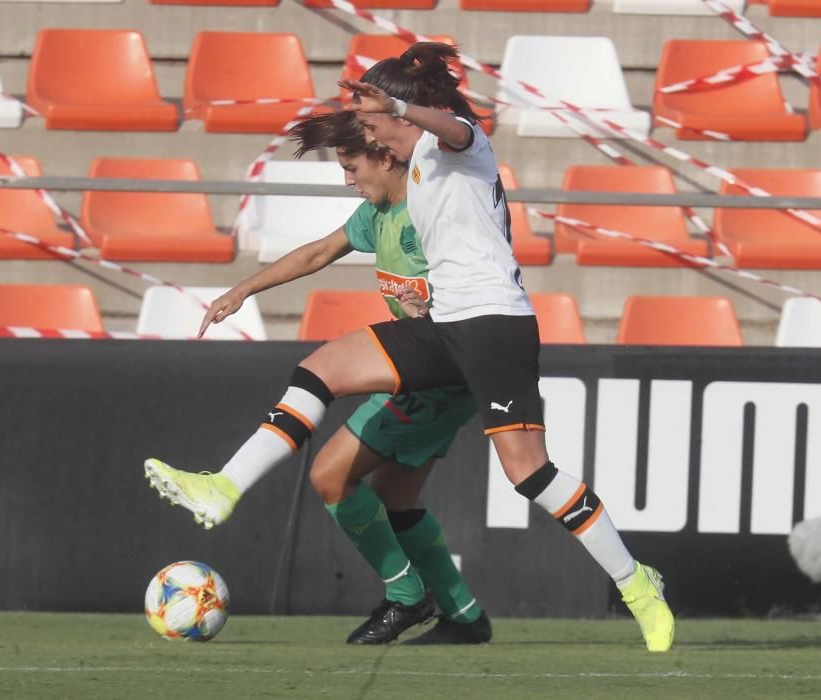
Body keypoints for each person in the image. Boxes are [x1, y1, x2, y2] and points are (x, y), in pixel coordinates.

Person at [146, 43, 674, 652]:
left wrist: (399, 104)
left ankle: (638, 584)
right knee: (319, 369)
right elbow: (329, 245)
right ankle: (224, 486)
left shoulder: (461, 144)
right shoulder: (409, 173)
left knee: (530, 473)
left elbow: (448, 125)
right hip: (443, 325)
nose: (372, 145)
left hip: (495, 326)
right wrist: (243, 289)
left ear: (405, 113)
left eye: (374, 129)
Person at [147, 110, 491, 645]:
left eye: (352, 166)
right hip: (433, 378)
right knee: (395, 502)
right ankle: (465, 617)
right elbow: (317, 251)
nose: (347, 180)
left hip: (442, 376)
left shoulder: (433, 211)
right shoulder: (375, 215)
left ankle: (405, 597)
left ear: (386, 155)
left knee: (330, 472)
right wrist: (243, 290)